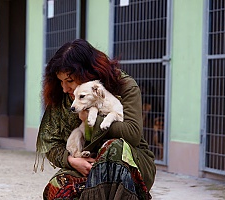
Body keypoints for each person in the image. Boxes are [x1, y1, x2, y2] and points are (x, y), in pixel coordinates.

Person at [35, 39, 156, 200]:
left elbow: (132, 134)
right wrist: (72, 161)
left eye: (69, 81)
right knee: (57, 187)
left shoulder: (124, 85)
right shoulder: (65, 96)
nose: (65, 88)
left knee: (113, 148)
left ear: (87, 73)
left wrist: (92, 120)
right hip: (86, 163)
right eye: (61, 81)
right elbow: (51, 142)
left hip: (130, 163)